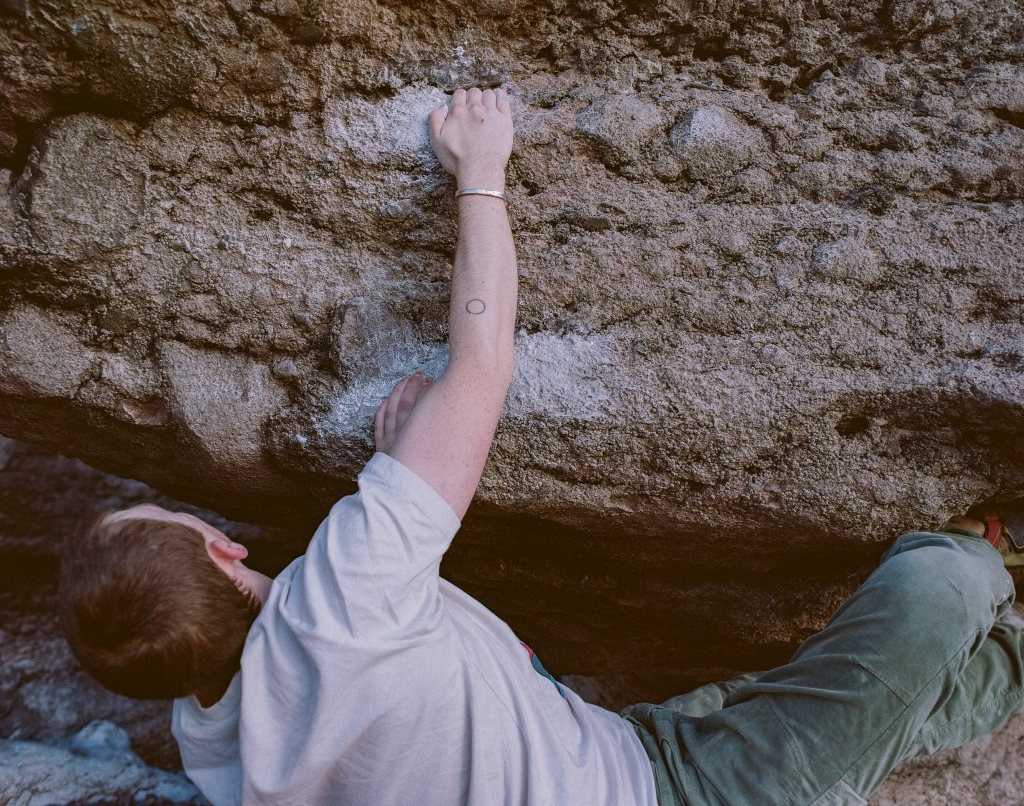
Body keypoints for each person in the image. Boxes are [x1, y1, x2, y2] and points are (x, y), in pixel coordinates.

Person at [58, 87, 1024, 806]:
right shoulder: (347, 590)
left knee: (891, 712)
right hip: (691, 795)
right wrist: (481, 176)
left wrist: (392, 481)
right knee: (941, 589)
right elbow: (480, 369)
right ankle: (990, 552)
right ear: (221, 548)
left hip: (614, 749)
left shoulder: (216, 749)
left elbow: (342, 667)